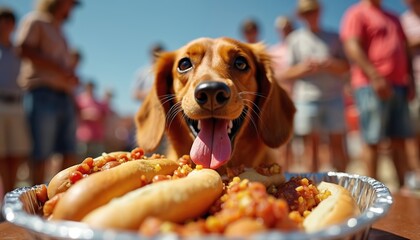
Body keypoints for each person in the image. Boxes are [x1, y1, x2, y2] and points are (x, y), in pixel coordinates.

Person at [340, 0, 416, 187]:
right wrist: (375, 76)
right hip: (370, 86)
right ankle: (371, 191)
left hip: (399, 85)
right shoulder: (356, 13)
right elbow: (352, 47)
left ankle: (403, 190)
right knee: (372, 139)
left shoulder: (394, 17)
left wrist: (411, 81)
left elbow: (405, 52)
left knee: (399, 139)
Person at [15, 0, 81, 185]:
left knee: (69, 151)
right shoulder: (36, 21)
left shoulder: (60, 32)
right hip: (42, 92)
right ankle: (37, 203)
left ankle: (59, 199)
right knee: (41, 153)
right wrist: (59, 68)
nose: (72, 8)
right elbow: (23, 48)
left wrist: (69, 76)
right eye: (70, 4)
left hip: (64, 96)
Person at [282, 0, 350, 172]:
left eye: (312, 11)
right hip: (307, 99)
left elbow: (346, 66)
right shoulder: (294, 39)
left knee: (337, 145)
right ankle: (312, 188)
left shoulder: (334, 37)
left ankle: (343, 185)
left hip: (334, 98)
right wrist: (305, 68)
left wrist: (329, 64)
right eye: (306, 12)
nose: (310, 15)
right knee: (311, 147)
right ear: (300, 15)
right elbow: (287, 73)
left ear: (319, 11)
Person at [0, 7, 31, 195]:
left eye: (9, 22)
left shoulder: (19, 51)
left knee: (17, 152)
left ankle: (9, 196)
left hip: (18, 104)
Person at [269, 16, 296, 170]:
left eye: (288, 27)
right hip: (281, 100)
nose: (286, 30)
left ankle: (292, 171)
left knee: (300, 141)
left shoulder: (299, 46)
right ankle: (282, 170)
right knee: (282, 141)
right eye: (283, 28)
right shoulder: (274, 51)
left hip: (299, 98)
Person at [132, 43, 167, 154]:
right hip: (148, 115)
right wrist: (153, 94)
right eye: (155, 52)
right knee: (147, 149)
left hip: (166, 116)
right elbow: (134, 93)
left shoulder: (168, 71)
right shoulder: (142, 73)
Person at [401, 0, 420, 174]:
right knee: (414, 131)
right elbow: (400, 50)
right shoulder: (403, 21)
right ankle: (417, 171)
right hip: (416, 81)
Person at [76, 81, 109, 158]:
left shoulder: (100, 102)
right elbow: (75, 116)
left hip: (97, 138)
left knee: (97, 163)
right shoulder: (79, 100)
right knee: (81, 162)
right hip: (82, 138)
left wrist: (97, 116)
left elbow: (105, 119)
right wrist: (86, 115)